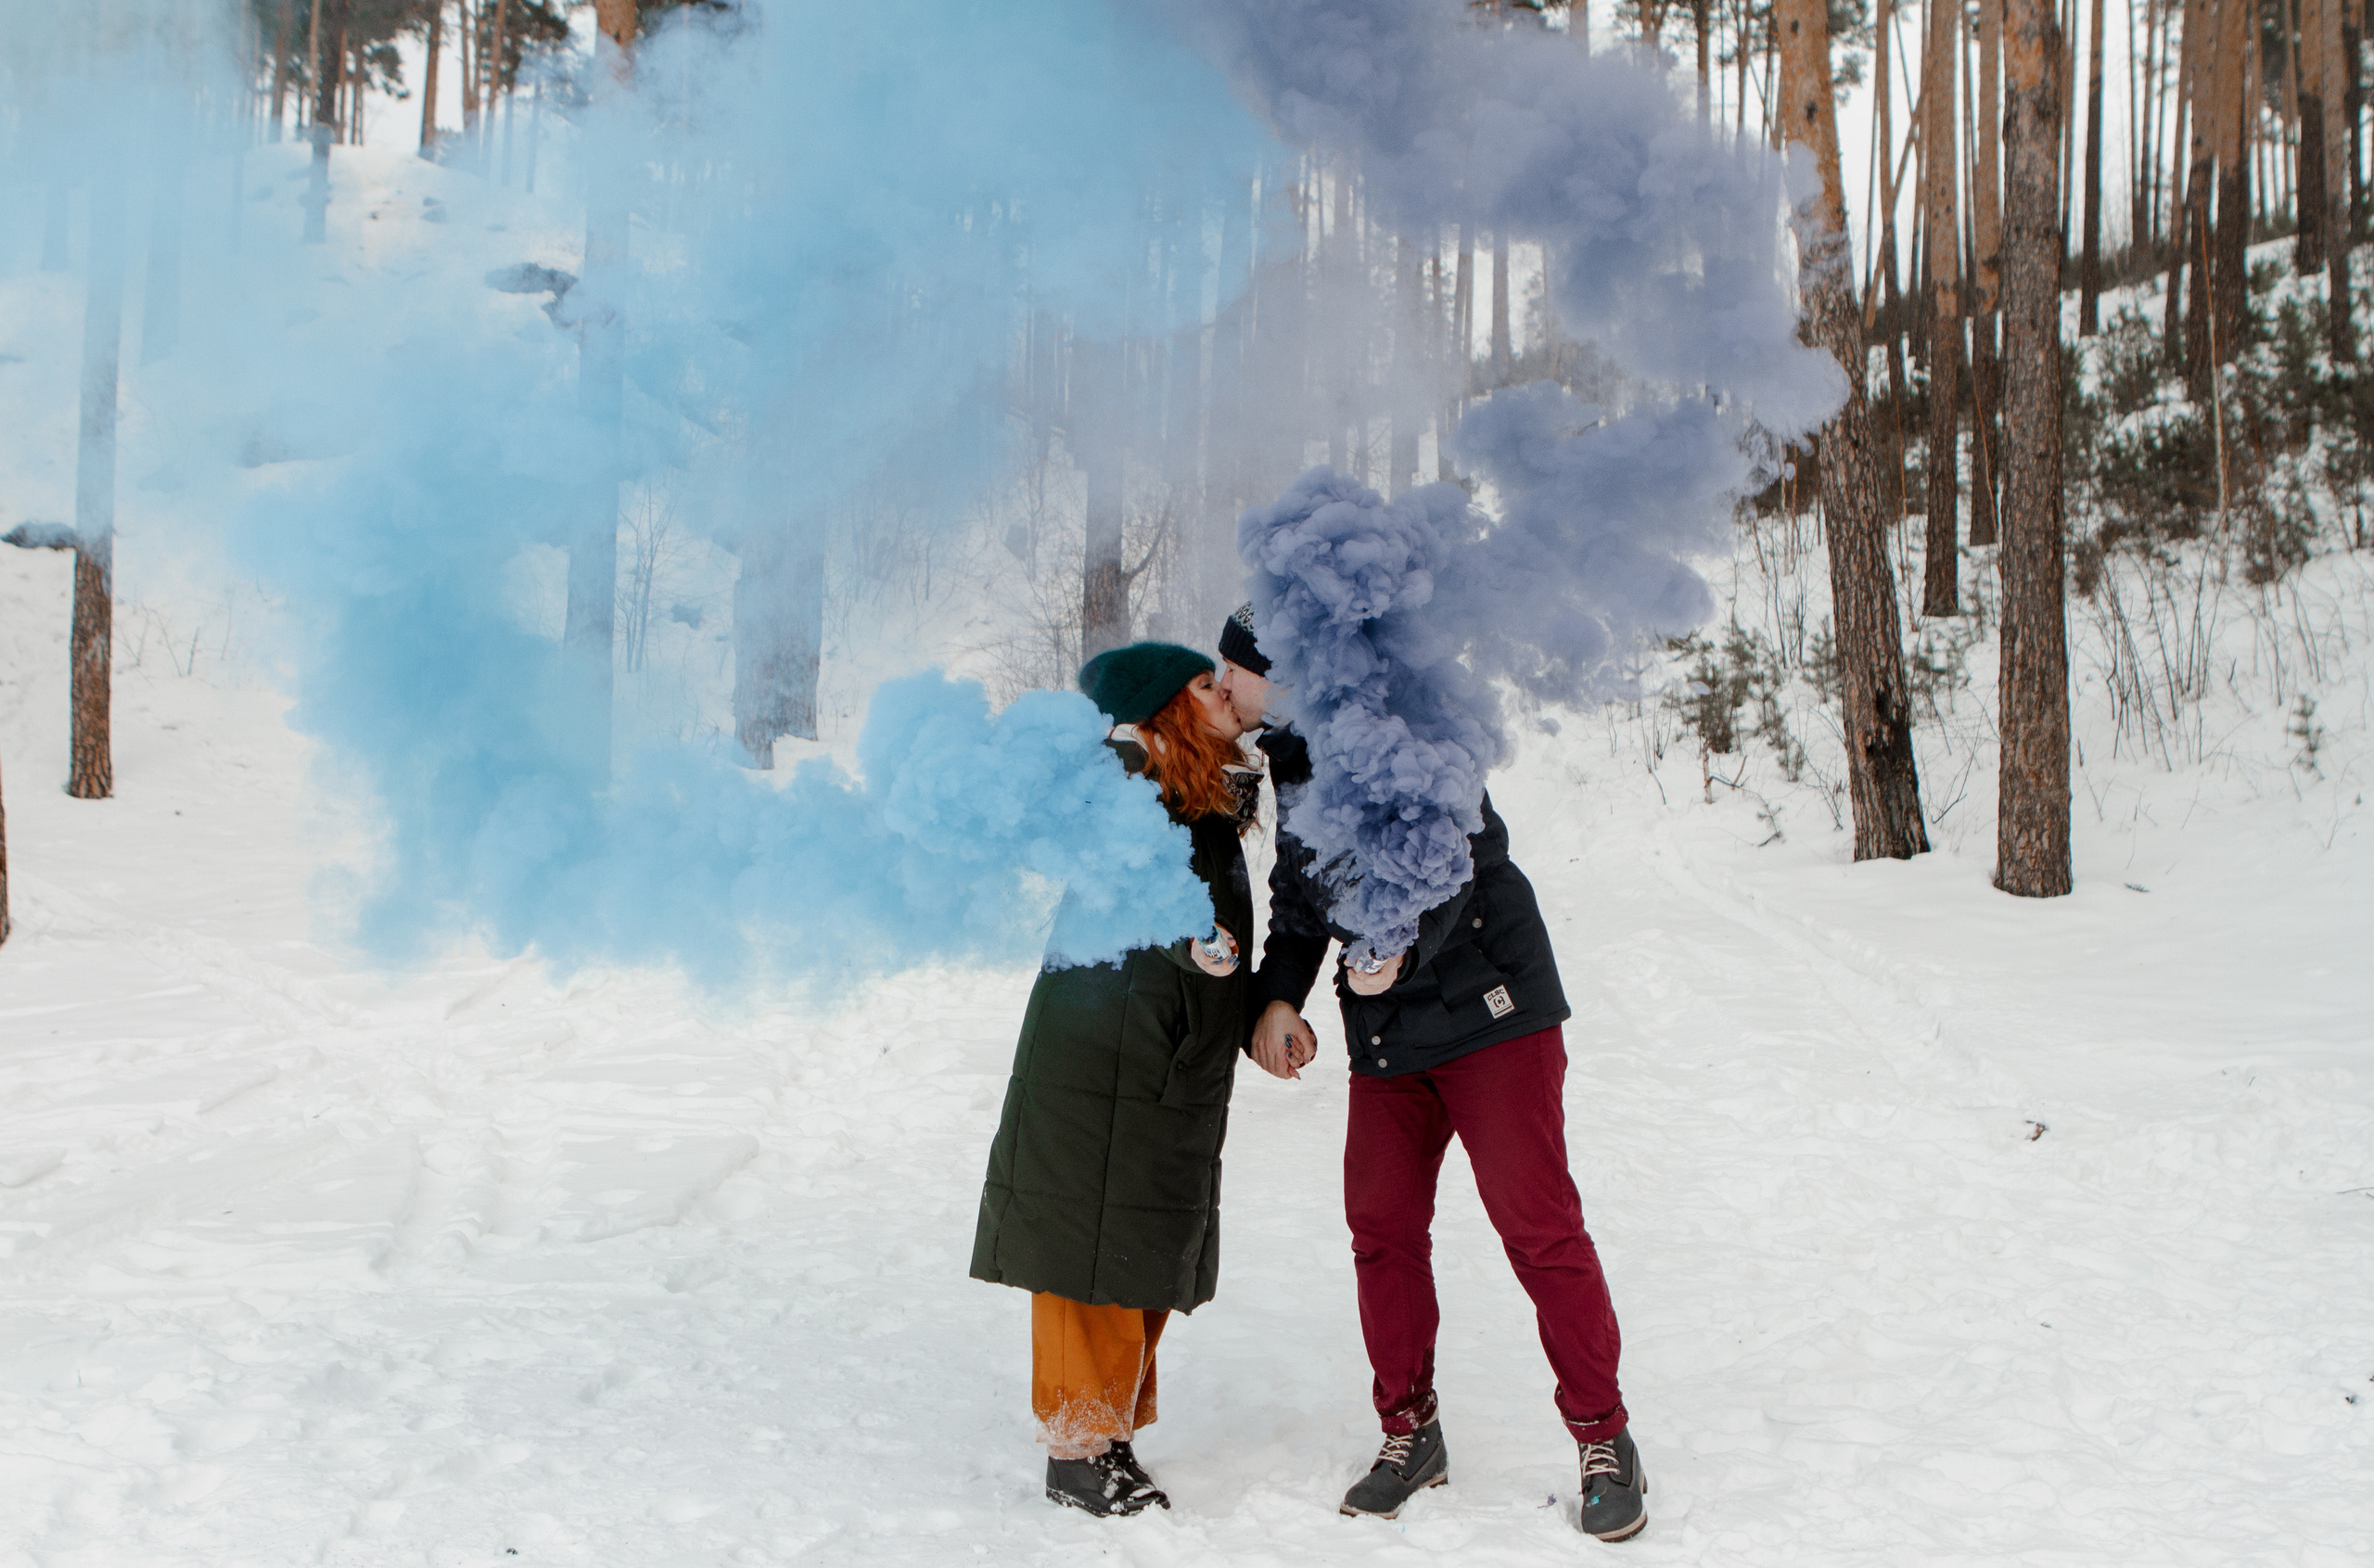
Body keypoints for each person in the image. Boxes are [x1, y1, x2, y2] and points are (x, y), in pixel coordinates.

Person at [1216, 604, 1648, 1543]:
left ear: (1277, 670)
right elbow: (1299, 896)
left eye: (1230, 668)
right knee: (1380, 1224)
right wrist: (1278, 997)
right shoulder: (1290, 754)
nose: (1221, 684)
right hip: (1388, 1034)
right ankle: (1409, 1430)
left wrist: (1401, 953)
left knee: (1536, 1225)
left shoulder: (1407, 715)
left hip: (1494, 1009)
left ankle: (1603, 1435)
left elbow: (1468, 856)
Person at [969, 642, 1259, 1517]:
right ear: (1167, 708)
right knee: (1085, 1246)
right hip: (1104, 1052)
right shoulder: (1131, 783)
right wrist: (1188, 943)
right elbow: (1125, 883)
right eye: (1206, 685)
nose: (1222, 694)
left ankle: (1108, 1431)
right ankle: (1077, 1449)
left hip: (1165, 1052)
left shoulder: (1201, 788)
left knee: (1133, 1241)